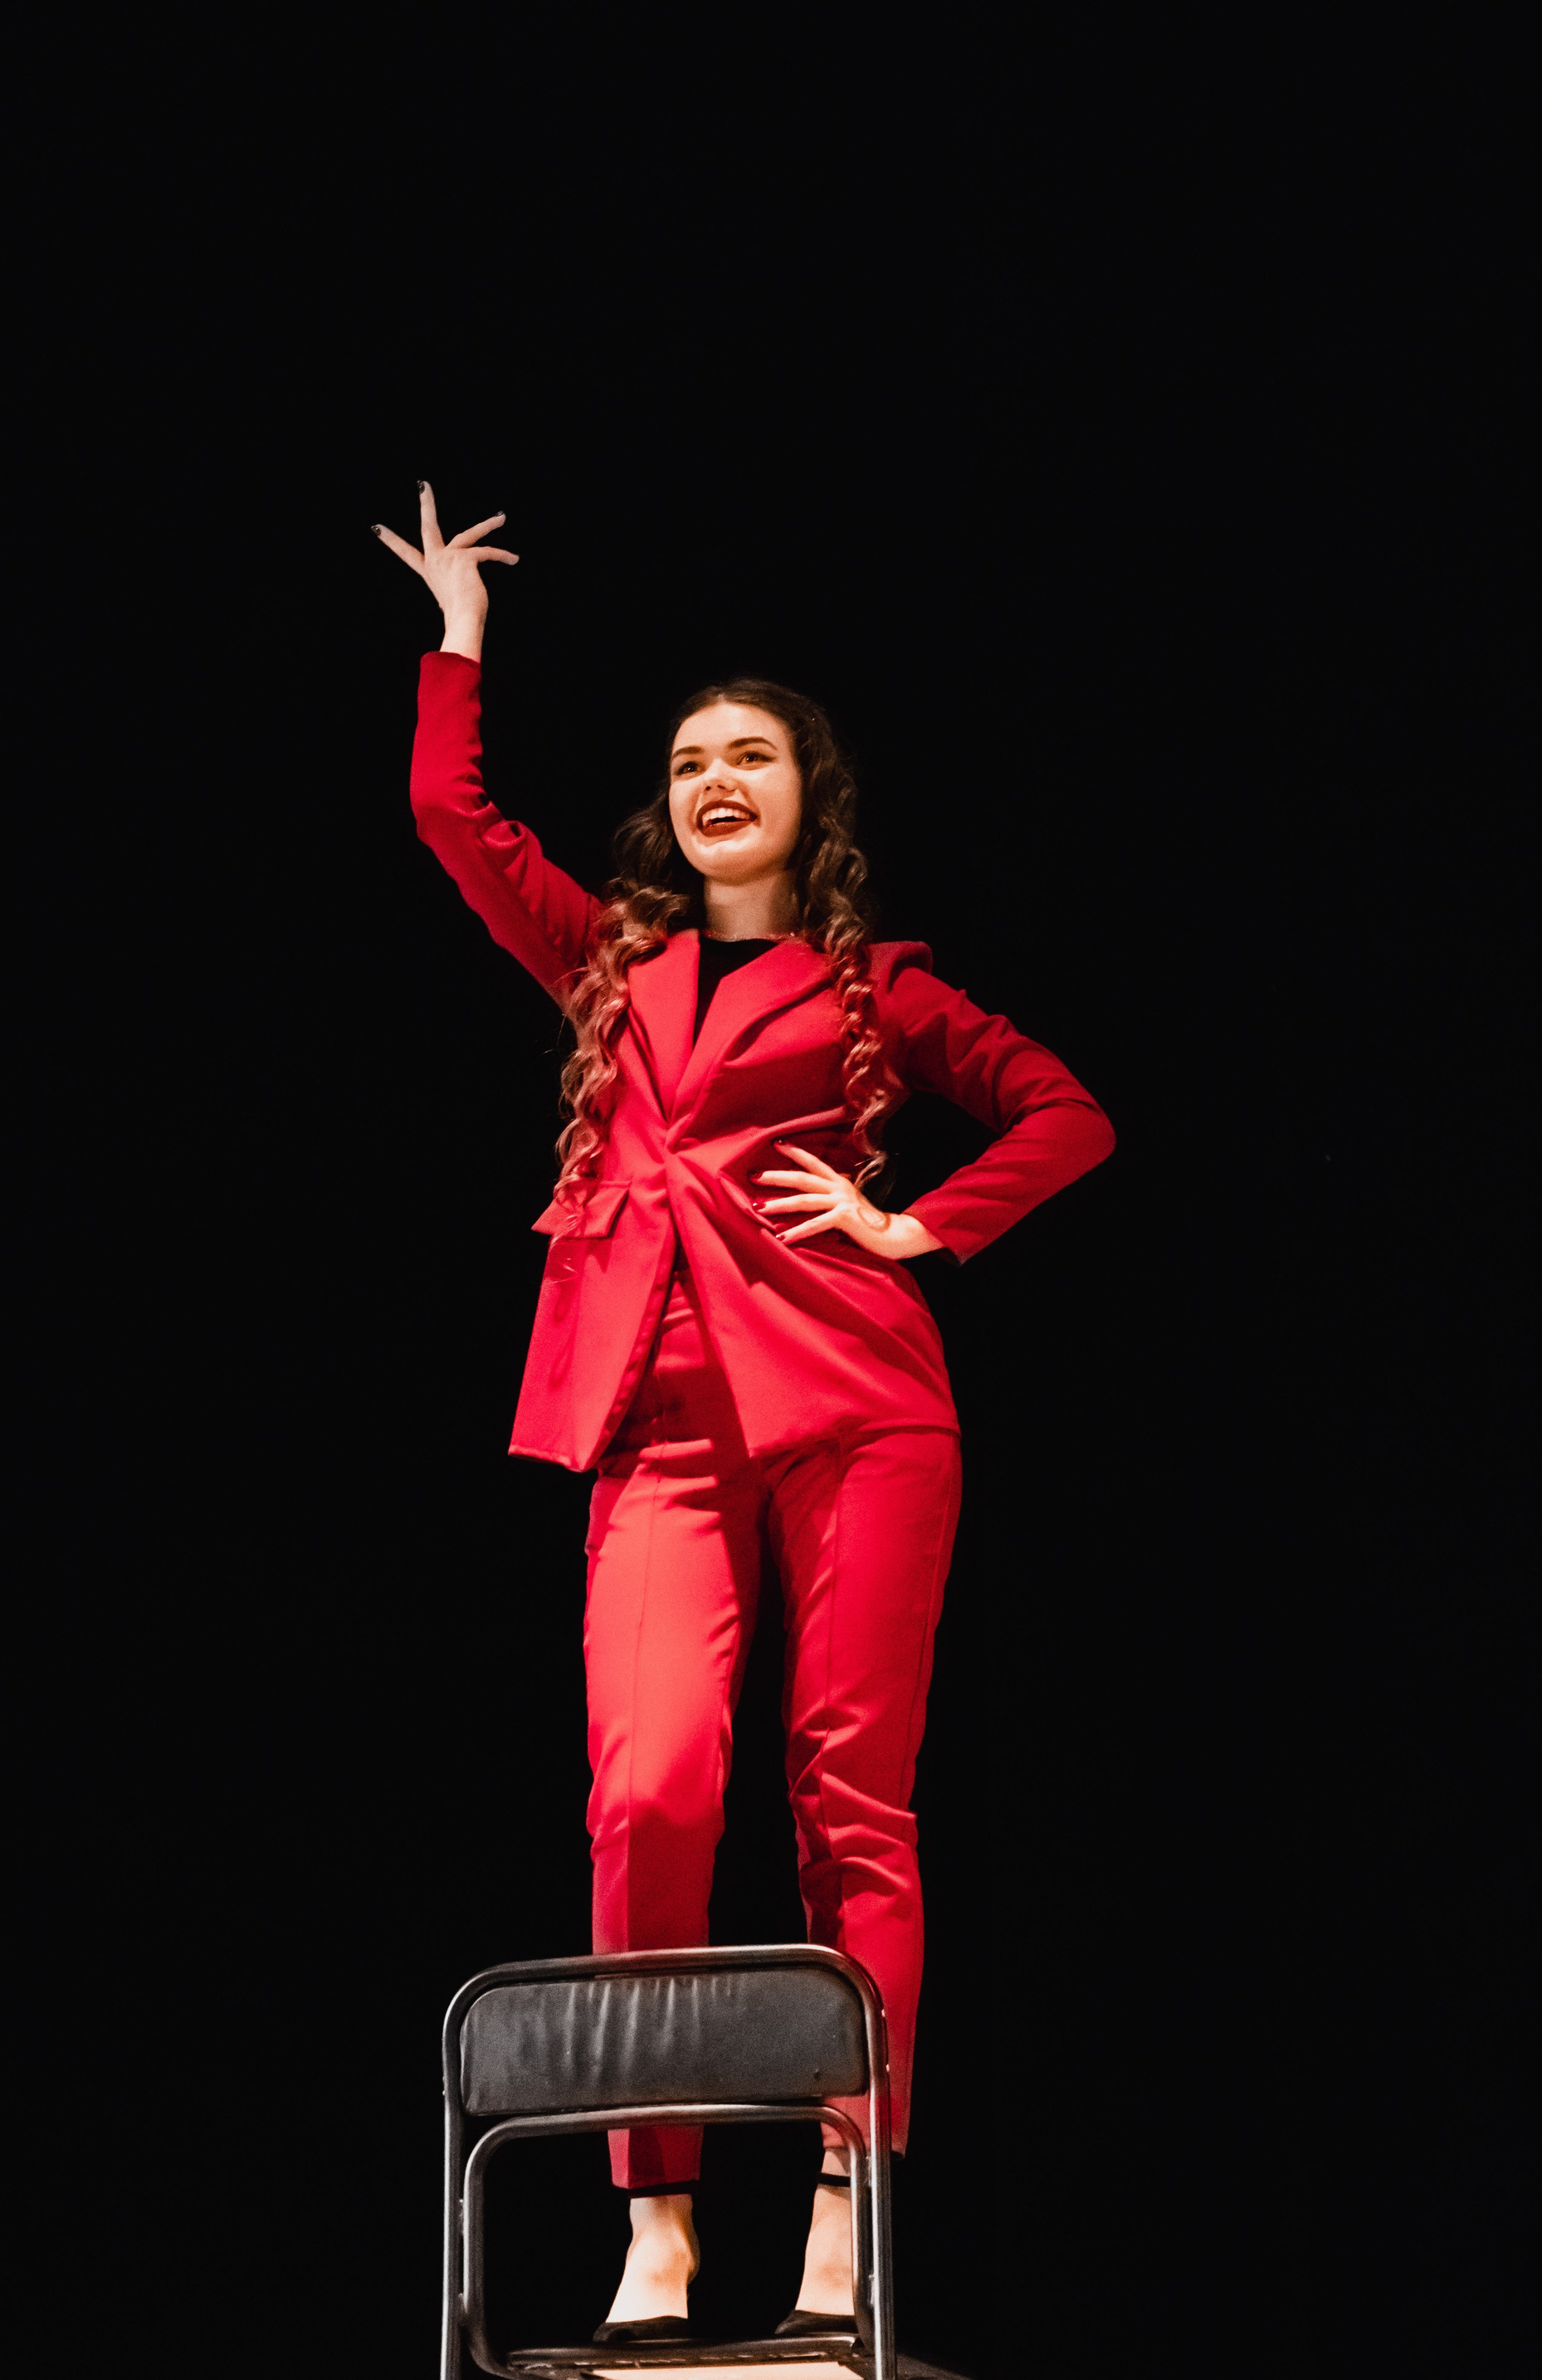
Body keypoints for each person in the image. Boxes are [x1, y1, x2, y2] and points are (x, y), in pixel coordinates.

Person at [374, 482, 1115, 2345]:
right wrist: (459, 635)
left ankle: (847, 2205)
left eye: (753, 756)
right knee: (648, 1793)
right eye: (692, 759)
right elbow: (454, 818)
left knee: (849, 1800)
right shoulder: (610, 965)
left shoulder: (876, 989)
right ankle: (661, 2219)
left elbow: (1067, 1112)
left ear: (809, 798)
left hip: (859, 1404)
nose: (717, 779)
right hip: (656, 1420)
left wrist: (917, 1223)